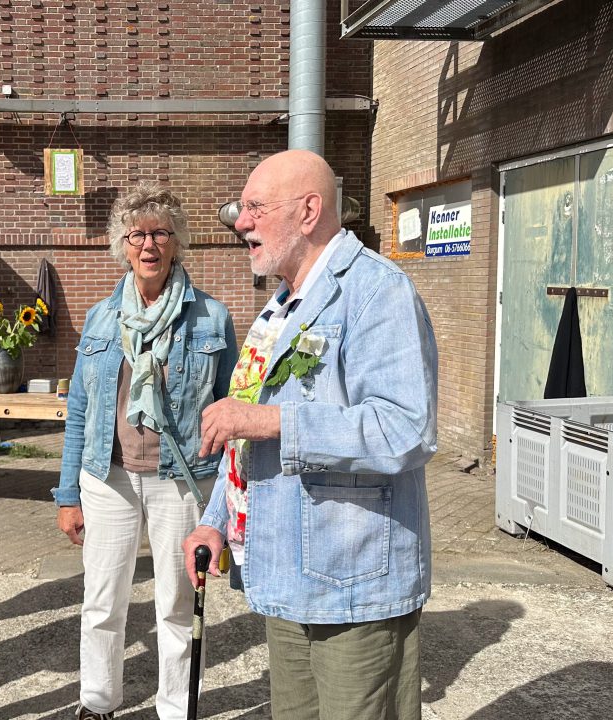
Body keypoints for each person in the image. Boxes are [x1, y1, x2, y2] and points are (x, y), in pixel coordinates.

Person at [183, 149, 439, 720]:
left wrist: (273, 420)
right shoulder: (281, 309)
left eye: (254, 208)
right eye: (239, 209)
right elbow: (247, 441)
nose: (240, 223)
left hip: (353, 583)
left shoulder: (376, 292)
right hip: (287, 574)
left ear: (308, 211)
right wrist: (214, 521)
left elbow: (405, 428)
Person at [54, 183, 238, 720]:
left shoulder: (211, 318)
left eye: (160, 233)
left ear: (177, 242)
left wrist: (225, 502)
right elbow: (82, 413)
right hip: (106, 476)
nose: (149, 245)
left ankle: (176, 708)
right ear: (123, 244)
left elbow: (227, 413)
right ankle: (97, 702)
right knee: (102, 600)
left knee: (176, 605)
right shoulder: (101, 318)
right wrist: (68, 494)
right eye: (138, 234)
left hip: (180, 479)